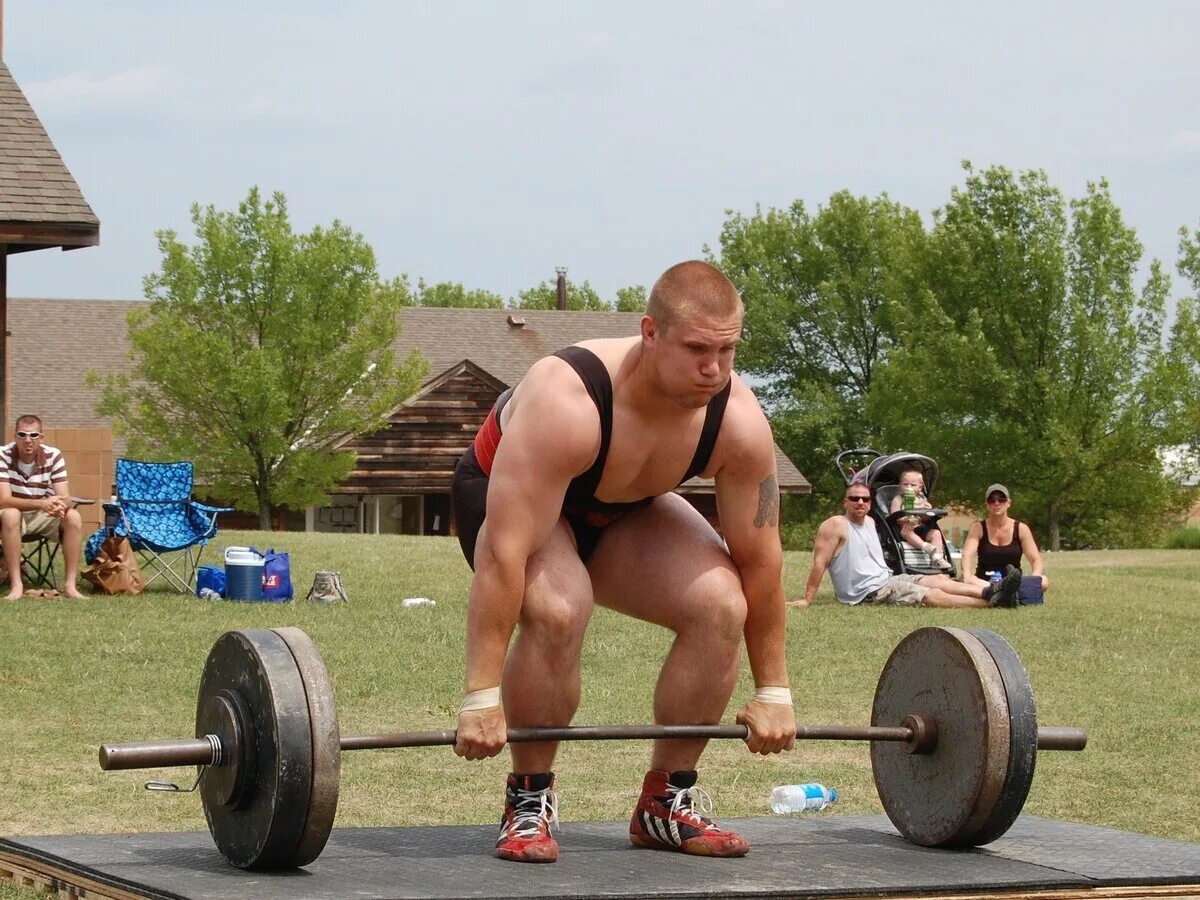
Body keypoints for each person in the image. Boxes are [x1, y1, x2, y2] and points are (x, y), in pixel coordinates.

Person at [449, 261, 795, 864]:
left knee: (721, 604)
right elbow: (504, 556)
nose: (713, 369)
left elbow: (762, 561)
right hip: (504, 496)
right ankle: (527, 801)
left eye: (727, 350)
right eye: (695, 349)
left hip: (622, 505)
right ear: (650, 333)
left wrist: (775, 690)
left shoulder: (737, 422)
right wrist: (481, 697)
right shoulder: (567, 398)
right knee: (560, 608)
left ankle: (666, 802)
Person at [790, 482, 1022, 609]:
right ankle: (991, 604)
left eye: (865, 498)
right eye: (854, 498)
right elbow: (820, 562)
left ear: (871, 503)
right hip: (868, 592)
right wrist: (808, 599)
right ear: (845, 502)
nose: (860, 502)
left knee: (940, 579)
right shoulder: (836, 525)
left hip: (888, 578)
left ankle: (991, 591)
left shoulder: (870, 522)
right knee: (929, 594)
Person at [0, 416, 85, 600]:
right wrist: (42, 503)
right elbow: (4, 500)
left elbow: (65, 497)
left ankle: (70, 586)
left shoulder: (53, 455)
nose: (28, 440)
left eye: (33, 435)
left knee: (73, 517)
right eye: (22, 435)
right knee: (11, 514)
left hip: (42, 515)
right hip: (11, 516)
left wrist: (58, 505)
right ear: (15, 437)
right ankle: (16, 585)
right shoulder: (2, 455)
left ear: (42, 437)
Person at [960, 484, 1050, 593]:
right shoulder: (978, 528)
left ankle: (1002, 592)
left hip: (1013, 582)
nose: (996, 503)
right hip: (985, 583)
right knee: (965, 577)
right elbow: (967, 554)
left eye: (1001, 499)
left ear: (1008, 503)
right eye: (991, 500)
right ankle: (1001, 592)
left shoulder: (1021, 528)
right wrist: (967, 575)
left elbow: (1035, 559)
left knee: (1043, 581)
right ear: (987, 505)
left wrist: (1034, 578)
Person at [887, 468, 952, 570]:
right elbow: (894, 516)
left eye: (913, 485)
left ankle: (938, 558)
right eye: (905, 484)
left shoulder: (922, 500)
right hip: (906, 529)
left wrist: (928, 512)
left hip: (922, 528)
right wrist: (903, 519)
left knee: (936, 533)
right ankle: (928, 548)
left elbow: (926, 519)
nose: (909, 487)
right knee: (906, 532)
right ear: (899, 485)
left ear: (920, 487)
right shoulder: (898, 499)